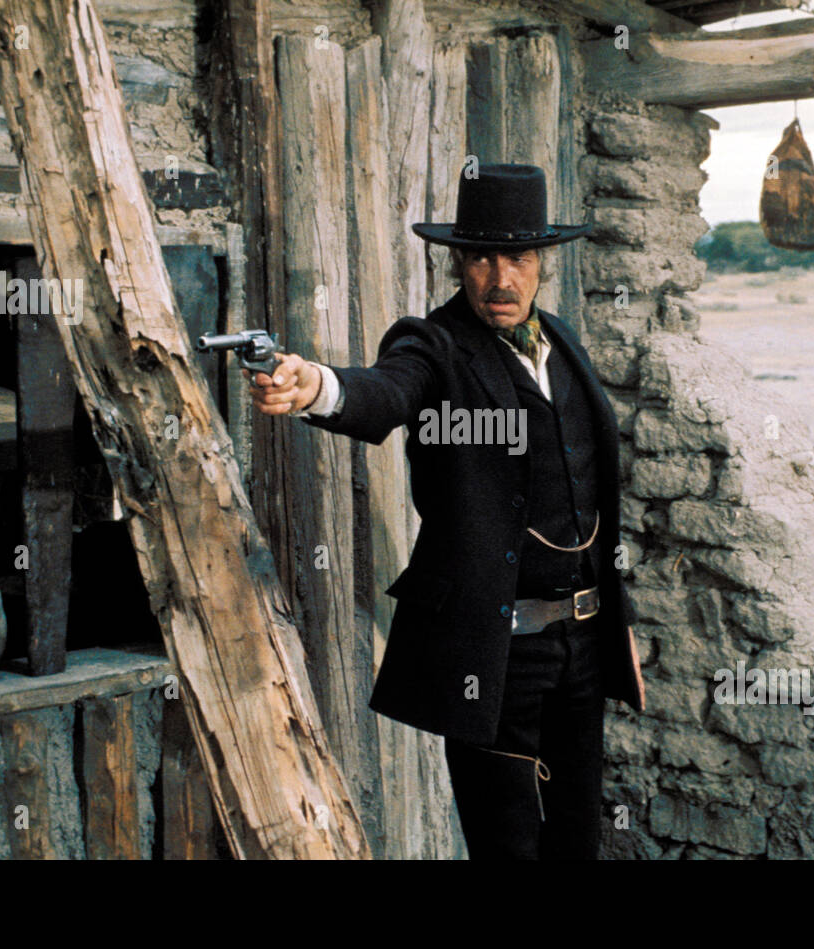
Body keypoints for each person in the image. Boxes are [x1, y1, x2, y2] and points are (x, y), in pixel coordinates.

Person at [247, 163, 644, 859]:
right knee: (509, 847)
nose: (501, 277)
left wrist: (617, 620)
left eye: (517, 256)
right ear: (461, 261)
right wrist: (317, 387)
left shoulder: (565, 347)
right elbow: (387, 392)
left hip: (579, 647)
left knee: (577, 843)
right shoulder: (434, 345)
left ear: (541, 262)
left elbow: (596, 494)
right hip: (493, 653)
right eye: (483, 257)